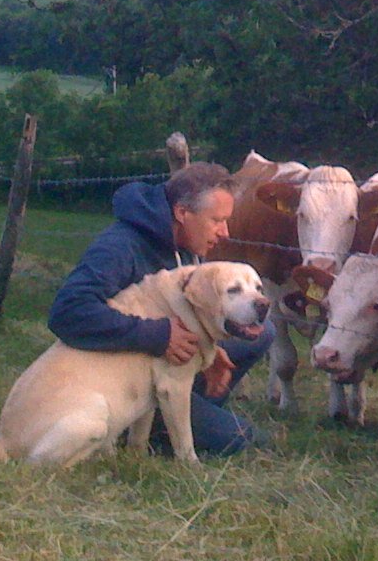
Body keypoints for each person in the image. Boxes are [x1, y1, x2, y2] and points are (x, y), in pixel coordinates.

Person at [47, 161, 273, 456]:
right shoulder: (119, 248)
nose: (225, 232)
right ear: (182, 213)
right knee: (241, 439)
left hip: (163, 365)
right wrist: (159, 335)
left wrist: (210, 350)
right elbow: (68, 312)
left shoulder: (189, 244)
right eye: (217, 220)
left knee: (263, 332)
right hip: (120, 387)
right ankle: (154, 429)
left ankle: (186, 403)